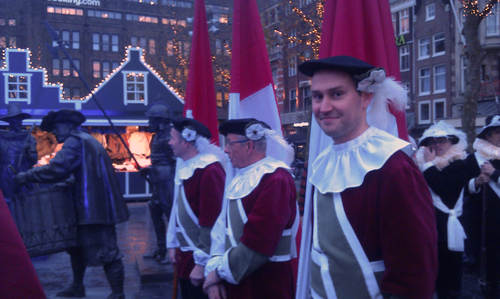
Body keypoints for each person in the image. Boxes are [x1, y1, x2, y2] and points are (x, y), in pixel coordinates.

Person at [297, 56, 438, 298]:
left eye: (337, 94)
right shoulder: (321, 163)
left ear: (365, 97)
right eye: (318, 97)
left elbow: (414, 272)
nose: (324, 106)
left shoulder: (393, 166)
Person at [15, 109, 129, 299]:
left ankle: (118, 293)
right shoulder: (86, 140)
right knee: (76, 248)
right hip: (92, 205)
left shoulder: (76, 142)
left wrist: (26, 176)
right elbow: (83, 172)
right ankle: (78, 286)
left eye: (56, 129)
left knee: (108, 251)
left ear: (67, 125)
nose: (55, 134)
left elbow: (58, 168)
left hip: (93, 208)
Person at [203, 118, 298, 299]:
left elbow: (258, 243)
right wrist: (214, 270)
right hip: (238, 282)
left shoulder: (276, 179)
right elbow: (221, 229)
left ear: (249, 146)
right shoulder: (240, 177)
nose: (225, 149)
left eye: (230, 143)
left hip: (267, 285)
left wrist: (216, 274)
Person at [166, 117, 227, 299]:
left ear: (187, 140)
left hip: (201, 261)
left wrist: (201, 264)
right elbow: (178, 211)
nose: (169, 143)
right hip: (186, 258)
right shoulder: (188, 167)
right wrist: (173, 244)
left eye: (172, 138)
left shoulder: (209, 171)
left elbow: (213, 221)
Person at [415, 121, 469, 299]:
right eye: (433, 142)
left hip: (448, 226)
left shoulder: (460, 163)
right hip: (429, 225)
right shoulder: (423, 166)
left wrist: (429, 166)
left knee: (450, 273)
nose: (437, 145)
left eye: (442, 141)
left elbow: (444, 188)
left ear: (452, 142)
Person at [464, 114, 500, 298]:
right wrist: (477, 182)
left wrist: (494, 174)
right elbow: (464, 188)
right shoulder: (473, 160)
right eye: (497, 132)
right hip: (484, 224)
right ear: (487, 136)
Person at [142, 104, 176, 263]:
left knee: (170, 215)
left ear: (160, 120)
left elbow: (175, 162)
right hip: (157, 178)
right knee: (155, 211)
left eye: (152, 119)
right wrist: (149, 169)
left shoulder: (170, 137)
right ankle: (161, 248)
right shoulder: (156, 136)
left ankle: (173, 251)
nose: (149, 122)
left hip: (167, 180)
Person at [0, 103, 38, 202]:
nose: (16, 122)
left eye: (18, 119)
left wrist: (30, 151)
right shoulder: (1, 138)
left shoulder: (28, 138)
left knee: (24, 203)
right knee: (8, 203)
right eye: (13, 120)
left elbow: (34, 160)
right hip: (5, 176)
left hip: (23, 174)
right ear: (9, 122)